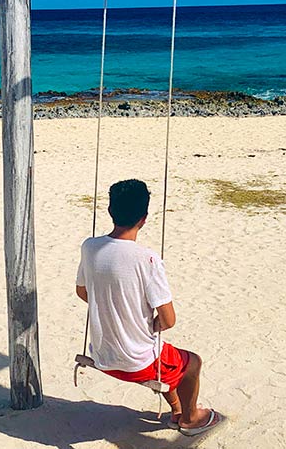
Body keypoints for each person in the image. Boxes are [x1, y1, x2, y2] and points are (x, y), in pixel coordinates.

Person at [75, 179, 221, 436]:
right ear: (144, 218)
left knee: (169, 357)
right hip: (136, 362)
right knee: (193, 363)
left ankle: (176, 410)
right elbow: (168, 319)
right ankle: (190, 419)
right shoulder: (147, 259)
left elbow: (82, 291)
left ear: (110, 212)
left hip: (101, 354)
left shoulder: (90, 247)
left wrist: (113, 306)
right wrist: (151, 321)